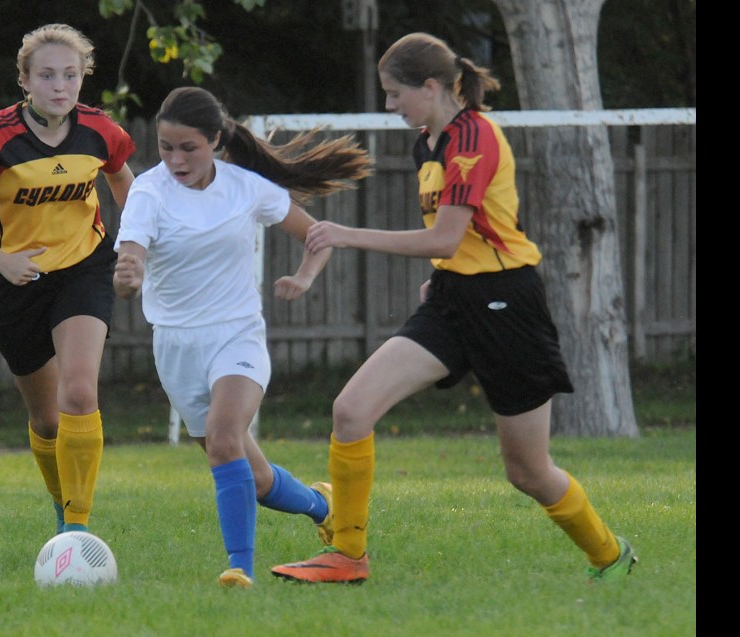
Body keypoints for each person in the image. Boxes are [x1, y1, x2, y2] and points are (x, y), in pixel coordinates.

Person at [270, 32, 638, 585]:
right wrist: (440, 280)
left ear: (433, 86)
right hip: (452, 299)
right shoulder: (428, 142)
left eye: (396, 94)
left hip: (507, 305)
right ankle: (347, 557)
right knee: (350, 410)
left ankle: (610, 557)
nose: (390, 106)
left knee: (528, 471)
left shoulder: (474, 139)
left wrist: (347, 234)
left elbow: (446, 237)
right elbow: (454, 246)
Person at [112, 86, 373, 588]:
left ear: (215, 140)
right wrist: (128, 275)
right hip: (175, 346)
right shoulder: (148, 191)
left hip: (237, 336)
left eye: (188, 147)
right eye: (166, 147)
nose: (175, 159)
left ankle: (239, 568)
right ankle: (323, 507)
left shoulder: (245, 186)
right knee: (249, 475)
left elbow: (316, 236)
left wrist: (304, 277)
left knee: (226, 438)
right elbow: (132, 256)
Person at [0, 24, 136, 537]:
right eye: (46, 76)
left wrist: (136, 246)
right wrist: (1, 261)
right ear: (24, 80)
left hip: (84, 269)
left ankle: (78, 533)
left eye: (70, 75)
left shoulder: (100, 130)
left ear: (83, 78)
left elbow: (126, 185)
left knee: (81, 393)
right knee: (46, 421)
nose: (59, 86)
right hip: (12, 283)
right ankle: (63, 507)